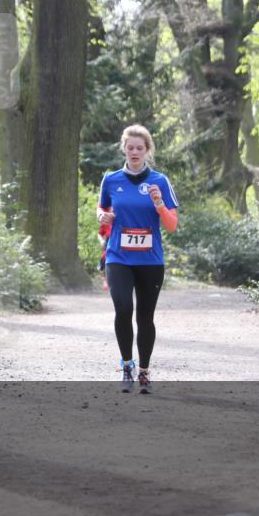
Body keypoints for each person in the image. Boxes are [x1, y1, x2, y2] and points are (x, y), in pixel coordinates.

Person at [97, 125, 178, 394]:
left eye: (139, 148)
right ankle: (126, 366)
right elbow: (103, 208)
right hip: (118, 257)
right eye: (130, 147)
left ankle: (144, 370)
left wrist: (159, 204)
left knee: (145, 316)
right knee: (123, 310)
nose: (134, 152)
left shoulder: (160, 182)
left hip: (150, 260)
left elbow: (171, 225)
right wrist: (102, 216)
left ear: (147, 150)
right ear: (124, 148)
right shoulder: (111, 180)